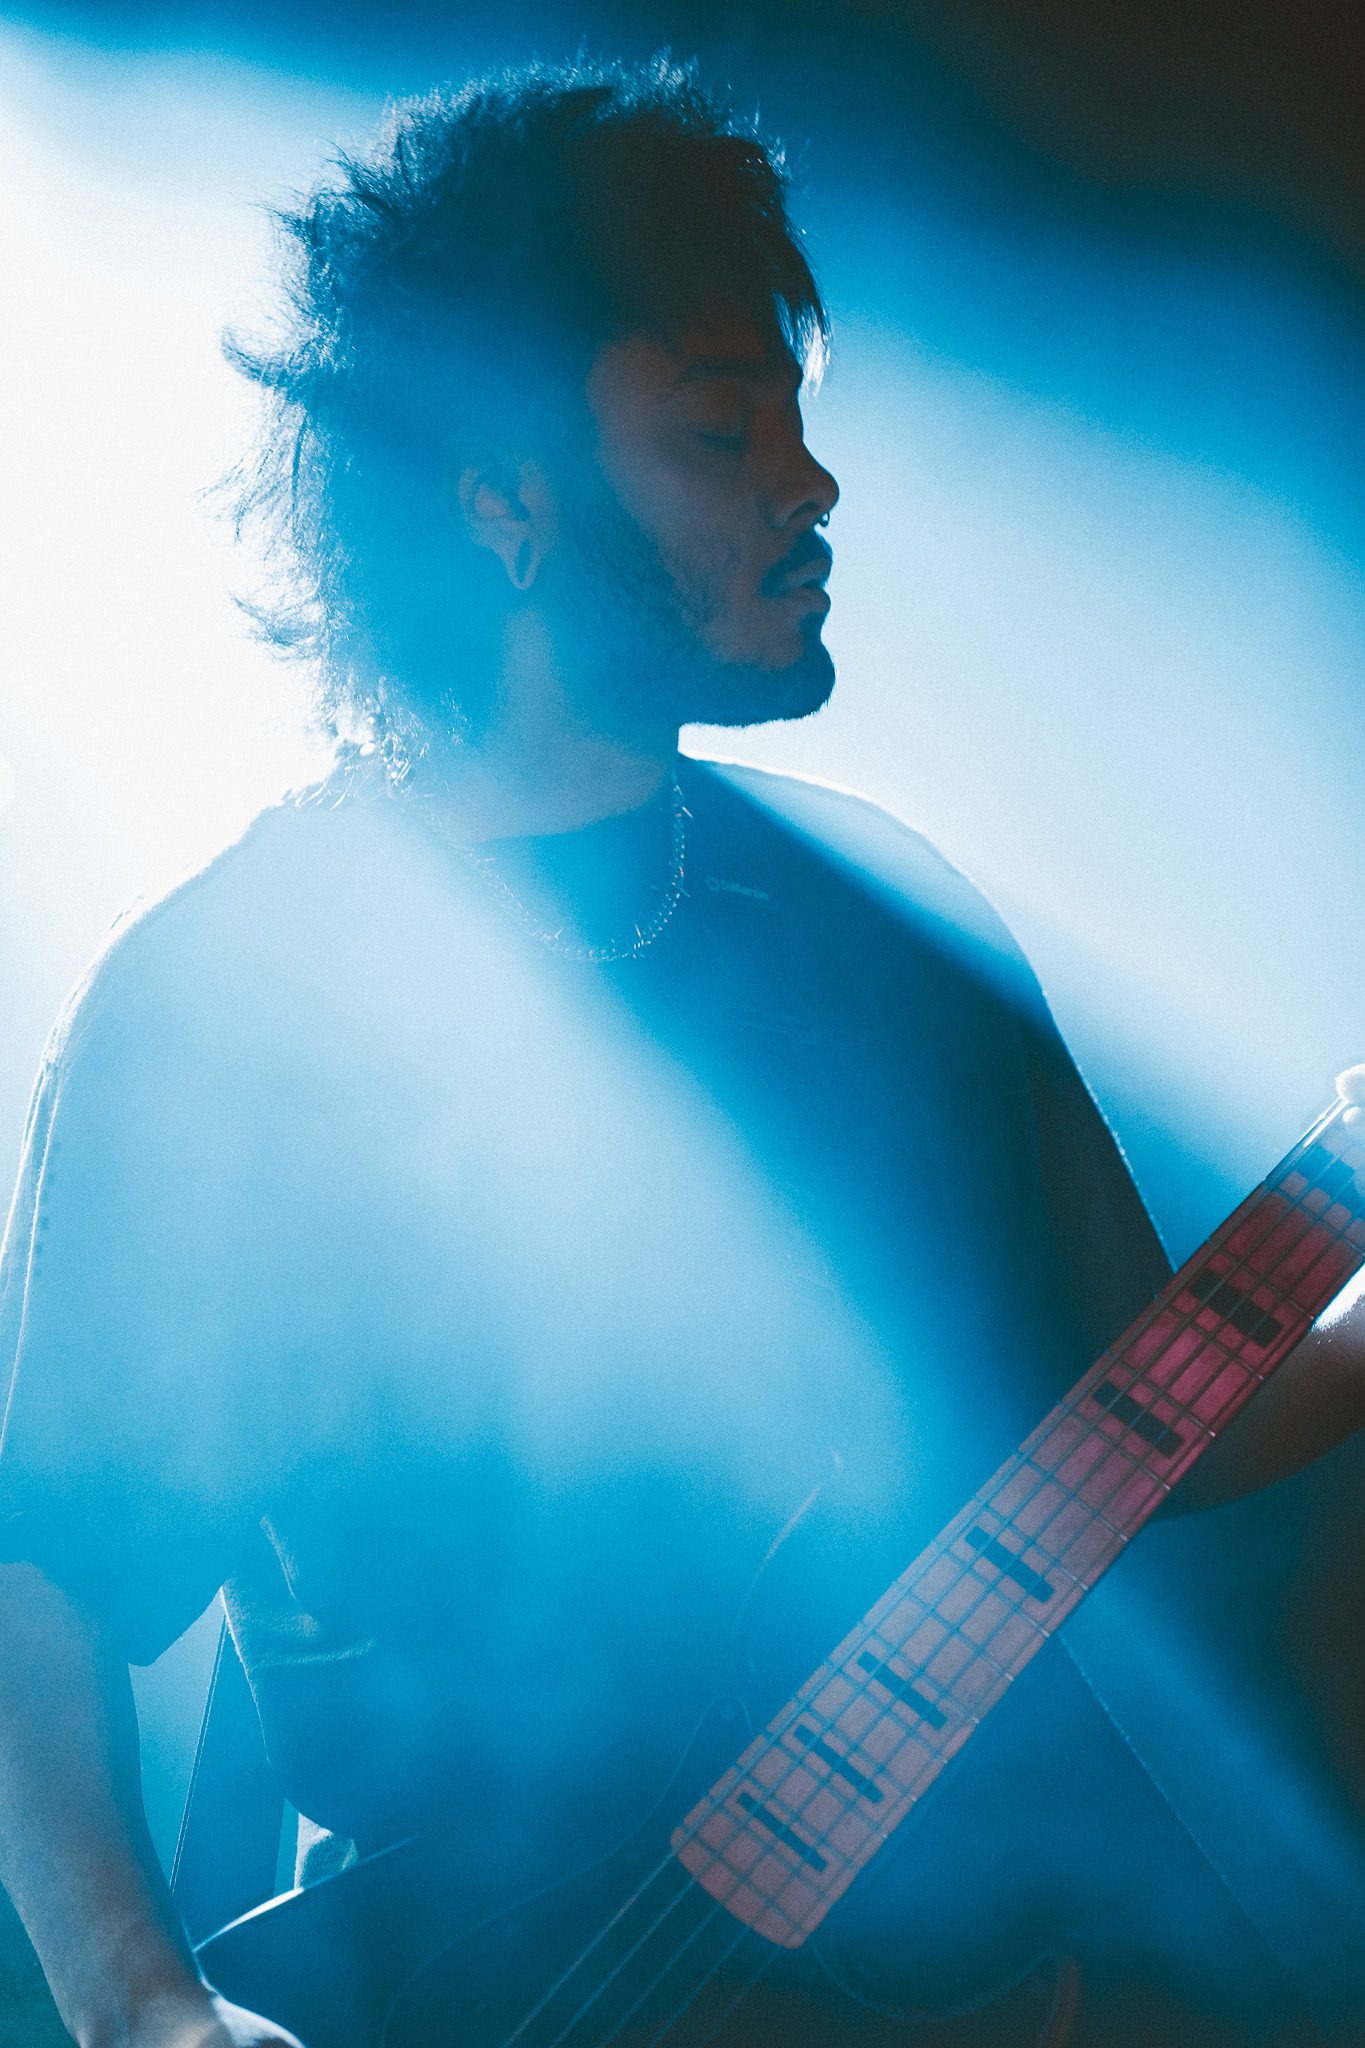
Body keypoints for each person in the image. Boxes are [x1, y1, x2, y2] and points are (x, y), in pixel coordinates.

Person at [1, 55, 1363, 2048]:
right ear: (498, 502)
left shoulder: (879, 928)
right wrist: (147, 2008)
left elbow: (1128, 1428)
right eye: (721, 430)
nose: (805, 487)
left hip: (944, 1982)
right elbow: (51, 1593)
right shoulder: (227, 1011)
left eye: (791, 424)